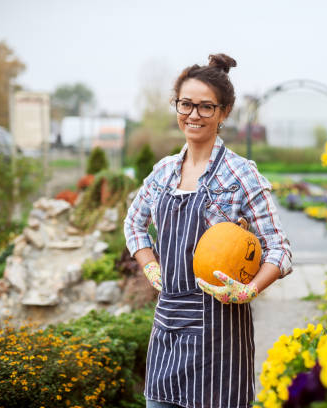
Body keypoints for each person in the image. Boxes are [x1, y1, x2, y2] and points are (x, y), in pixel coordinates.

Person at [124, 53, 292, 408]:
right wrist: (150, 265)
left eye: (206, 107)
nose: (194, 115)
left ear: (224, 112)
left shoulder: (241, 174)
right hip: (167, 328)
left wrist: (248, 290)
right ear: (177, 106)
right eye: (186, 104)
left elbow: (279, 248)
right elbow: (134, 224)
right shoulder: (164, 171)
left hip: (221, 335)